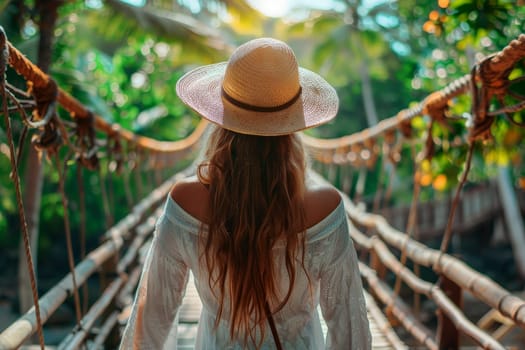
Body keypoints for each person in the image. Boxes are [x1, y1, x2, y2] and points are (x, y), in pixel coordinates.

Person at [120, 37, 371, 349]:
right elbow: (350, 329)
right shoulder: (325, 206)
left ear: (220, 118)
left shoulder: (185, 200)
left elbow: (152, 319)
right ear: (292, 125)